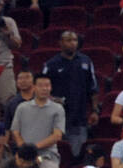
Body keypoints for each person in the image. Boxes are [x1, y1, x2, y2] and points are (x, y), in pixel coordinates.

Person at [41, 29, 98, 160]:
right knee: (54, 156)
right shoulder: (51, 65)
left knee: (76, 156)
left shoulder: (86, 62)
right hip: (55, 119)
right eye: (68, 40)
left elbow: (93, 88)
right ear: (60, 43)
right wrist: (52, 99)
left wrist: (95, 110)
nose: (72, 43)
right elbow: (40, 89)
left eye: (75, 40)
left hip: (79, 118)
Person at [10, 74, 64, 168]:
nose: (44, 89)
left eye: (47, 85)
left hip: (48, 157)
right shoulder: (22, 107)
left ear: (51, 88)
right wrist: (25, 151)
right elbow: (15, 132)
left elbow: (57, 135)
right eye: (41, 85)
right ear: (34, 87)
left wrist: (33, 148)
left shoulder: (58, 109)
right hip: (23, 159)